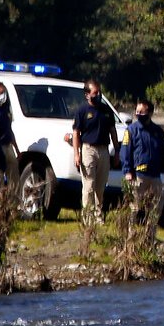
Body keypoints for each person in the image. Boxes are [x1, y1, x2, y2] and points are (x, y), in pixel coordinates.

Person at [120, 99, 164, 239]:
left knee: (157, 207)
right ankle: (130, 234)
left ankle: (150, 235)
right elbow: (125, 152)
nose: (138, 114)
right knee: (135, 207)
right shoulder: (131, 130)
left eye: (142, 112)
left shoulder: (158, 131)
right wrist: (127, 171)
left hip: (155, 175)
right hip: (138, 175)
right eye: (137, 111)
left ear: (150, 113)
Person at [72, 79, 120, 223]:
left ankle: (98, 216)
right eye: (94, 93)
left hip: (104, 150)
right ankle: (88, 216)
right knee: (89, 185)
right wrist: (77, 154)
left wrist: (117, 151)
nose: (97, 95)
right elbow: (76, 133)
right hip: (88, 150)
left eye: (99, 92)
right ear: (87, 94)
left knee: (100, 186)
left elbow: (113, 131)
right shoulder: (82, 111)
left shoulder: (106, 110)